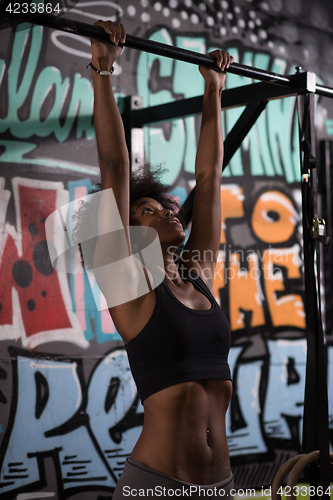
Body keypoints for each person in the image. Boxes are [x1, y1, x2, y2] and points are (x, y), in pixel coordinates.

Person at [88, 19, 234, 499]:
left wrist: (213, 89)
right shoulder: (129, 289)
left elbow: (209, 178)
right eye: (147, 211)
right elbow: (113, 170)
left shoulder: (199, 276)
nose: (168, 211)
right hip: (157, 486)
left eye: (165, 206)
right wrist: (103, 72)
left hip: (221, 485)